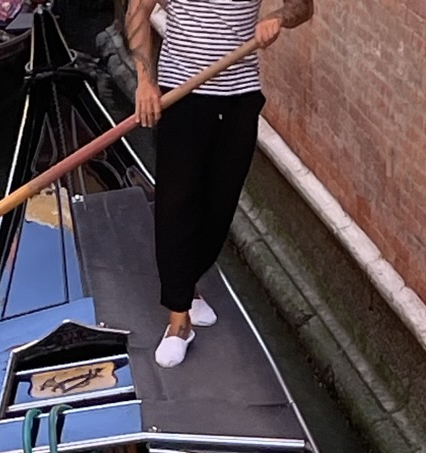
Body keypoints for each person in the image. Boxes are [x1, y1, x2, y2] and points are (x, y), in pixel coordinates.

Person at [128, 0, 315, 369]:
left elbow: (302, 6)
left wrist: (277, 18)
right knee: (176, 206)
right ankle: (179, 320)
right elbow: (137, 9)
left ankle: (189, 285)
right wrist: (145, 82)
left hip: (239, 97)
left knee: (219, 206)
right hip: (182, 95)